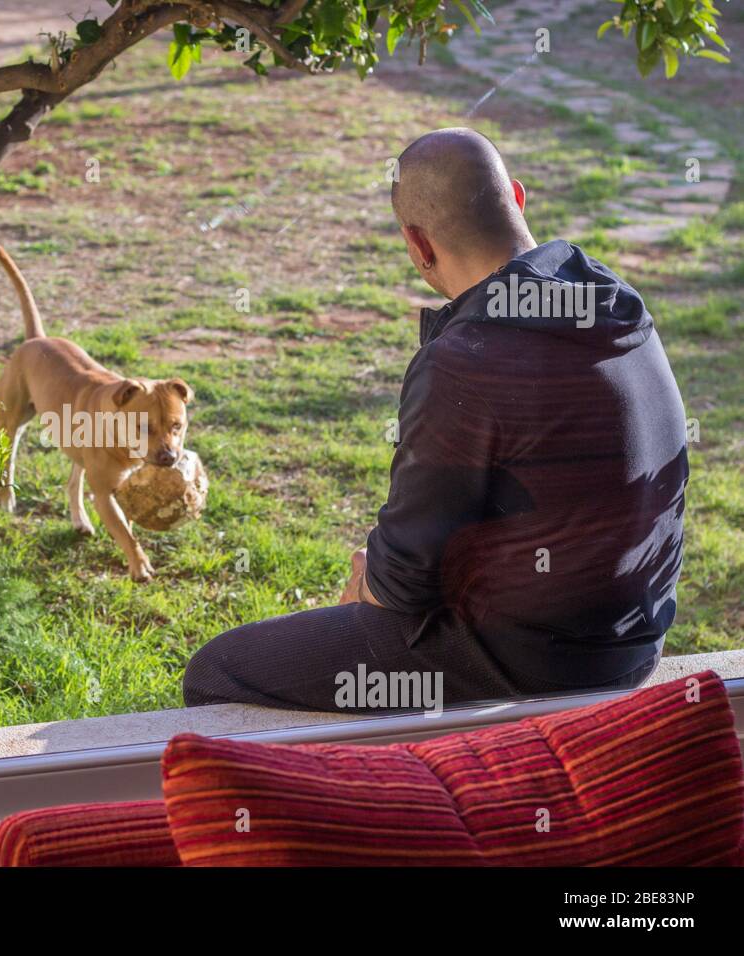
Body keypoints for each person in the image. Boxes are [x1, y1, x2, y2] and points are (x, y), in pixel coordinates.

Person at [183, 127, 688, 712]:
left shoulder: (467, 359)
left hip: (531, 666)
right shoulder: (613, 301)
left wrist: (370, 583)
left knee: (216, 673)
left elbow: (404, 584)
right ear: (518, 200)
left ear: (418, 245)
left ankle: (393, 797)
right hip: (631, 644)